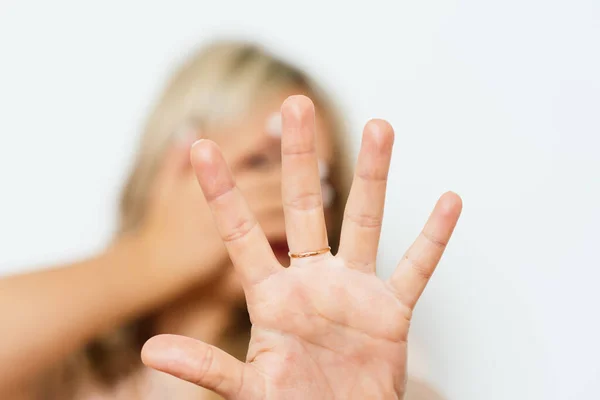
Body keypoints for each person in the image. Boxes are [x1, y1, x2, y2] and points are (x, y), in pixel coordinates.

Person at [0, 41, 461, 399]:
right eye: (260, 163)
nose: (291, 197)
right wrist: (153, 256)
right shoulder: (61, 366)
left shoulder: (371, 371)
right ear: (171, 161)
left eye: (322, 180)